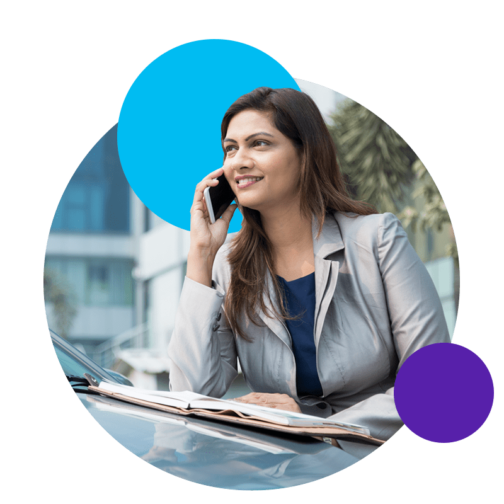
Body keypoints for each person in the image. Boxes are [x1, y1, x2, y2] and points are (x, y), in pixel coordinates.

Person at [167, 87, 451, 453]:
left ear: (306, 154)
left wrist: (315, 427)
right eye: (230, 148)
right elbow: (192, 395)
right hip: (285, 465)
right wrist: (201, 256)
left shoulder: (376, 239)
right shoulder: (226, 264)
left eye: (260, 144)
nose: (237, 161)